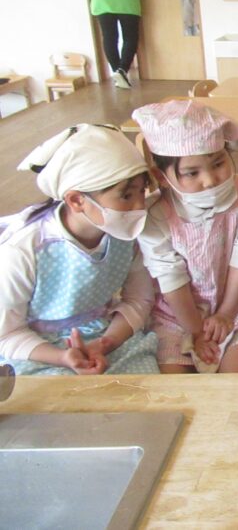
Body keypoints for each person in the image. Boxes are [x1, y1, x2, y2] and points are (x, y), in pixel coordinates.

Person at [0, 124, 159, 375]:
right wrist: (63, 357)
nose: (140, 206)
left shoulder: (125, 234)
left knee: (145, 389)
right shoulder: (24, 251)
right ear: (76, 200)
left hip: (108, 335)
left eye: (142, 191)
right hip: (38, 350)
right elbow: (8, 334)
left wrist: (106, 343)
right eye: (126, 196)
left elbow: (139, 300)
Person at [133, 101, 238, 373]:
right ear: (161, 177)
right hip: (175, 315)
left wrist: (226, 314)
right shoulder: (154, 215)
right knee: (175, 390)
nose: (210, 180)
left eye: (218, 163)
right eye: (192, 173)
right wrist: (195, 330)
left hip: (236, 305)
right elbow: (171, 278)